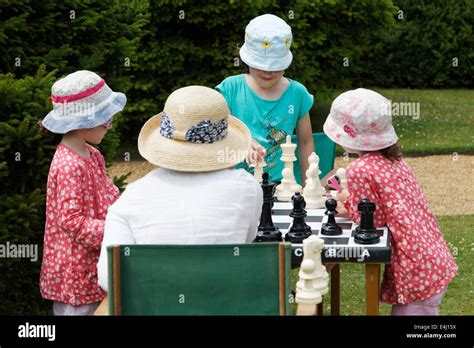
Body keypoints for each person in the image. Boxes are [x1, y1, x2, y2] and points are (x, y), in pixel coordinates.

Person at [97, 86, 262, 291]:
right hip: (226, 303)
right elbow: (248, 239)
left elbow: (108, 279)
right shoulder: (247, 187)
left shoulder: (130, 198)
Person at [323, 88, 458, 315]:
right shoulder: (393, 160)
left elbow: (372, 221)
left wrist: (347, 207)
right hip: (431, 258)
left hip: (416, 268)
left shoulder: (360, 169)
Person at [39, 70, 126, 315]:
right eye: (106, 119)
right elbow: (72, 223)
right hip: (74, 276)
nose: (110, 125)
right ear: (82, 122)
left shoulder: (92, 154)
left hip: (93, 264)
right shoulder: (68, 165)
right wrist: (113, 230)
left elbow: (108, 194)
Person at [216, 14, 314, 183]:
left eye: (276, 66)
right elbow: (218, 130)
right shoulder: (230, 89)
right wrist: (243, 141)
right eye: (261, 65)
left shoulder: (297, 93)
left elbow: (305, 142)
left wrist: (309, 186)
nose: (268, 72)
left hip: (281, 186)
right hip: (234, 183)